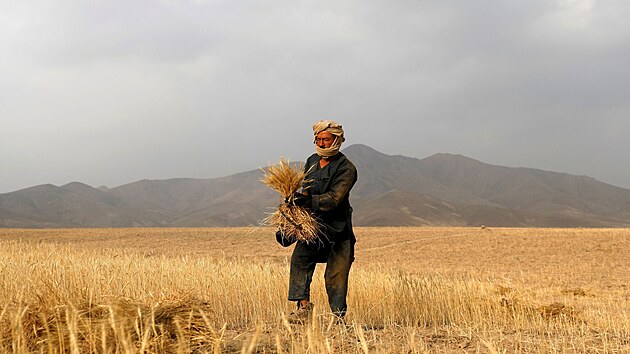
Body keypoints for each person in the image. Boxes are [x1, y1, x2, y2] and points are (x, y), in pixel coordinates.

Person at [276, 120, 358, 323]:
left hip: (338, 230)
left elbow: (334, 199)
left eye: (326, 139)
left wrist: (307, 200)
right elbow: (306, 190)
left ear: (337, 139)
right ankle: (303, 309)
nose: (321, 144)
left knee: (336, 276)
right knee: (300, 261)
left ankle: (338, 320)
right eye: (318, 139)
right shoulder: (311, 161)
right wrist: (295, 205)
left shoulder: (347, 168)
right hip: (313, 227)